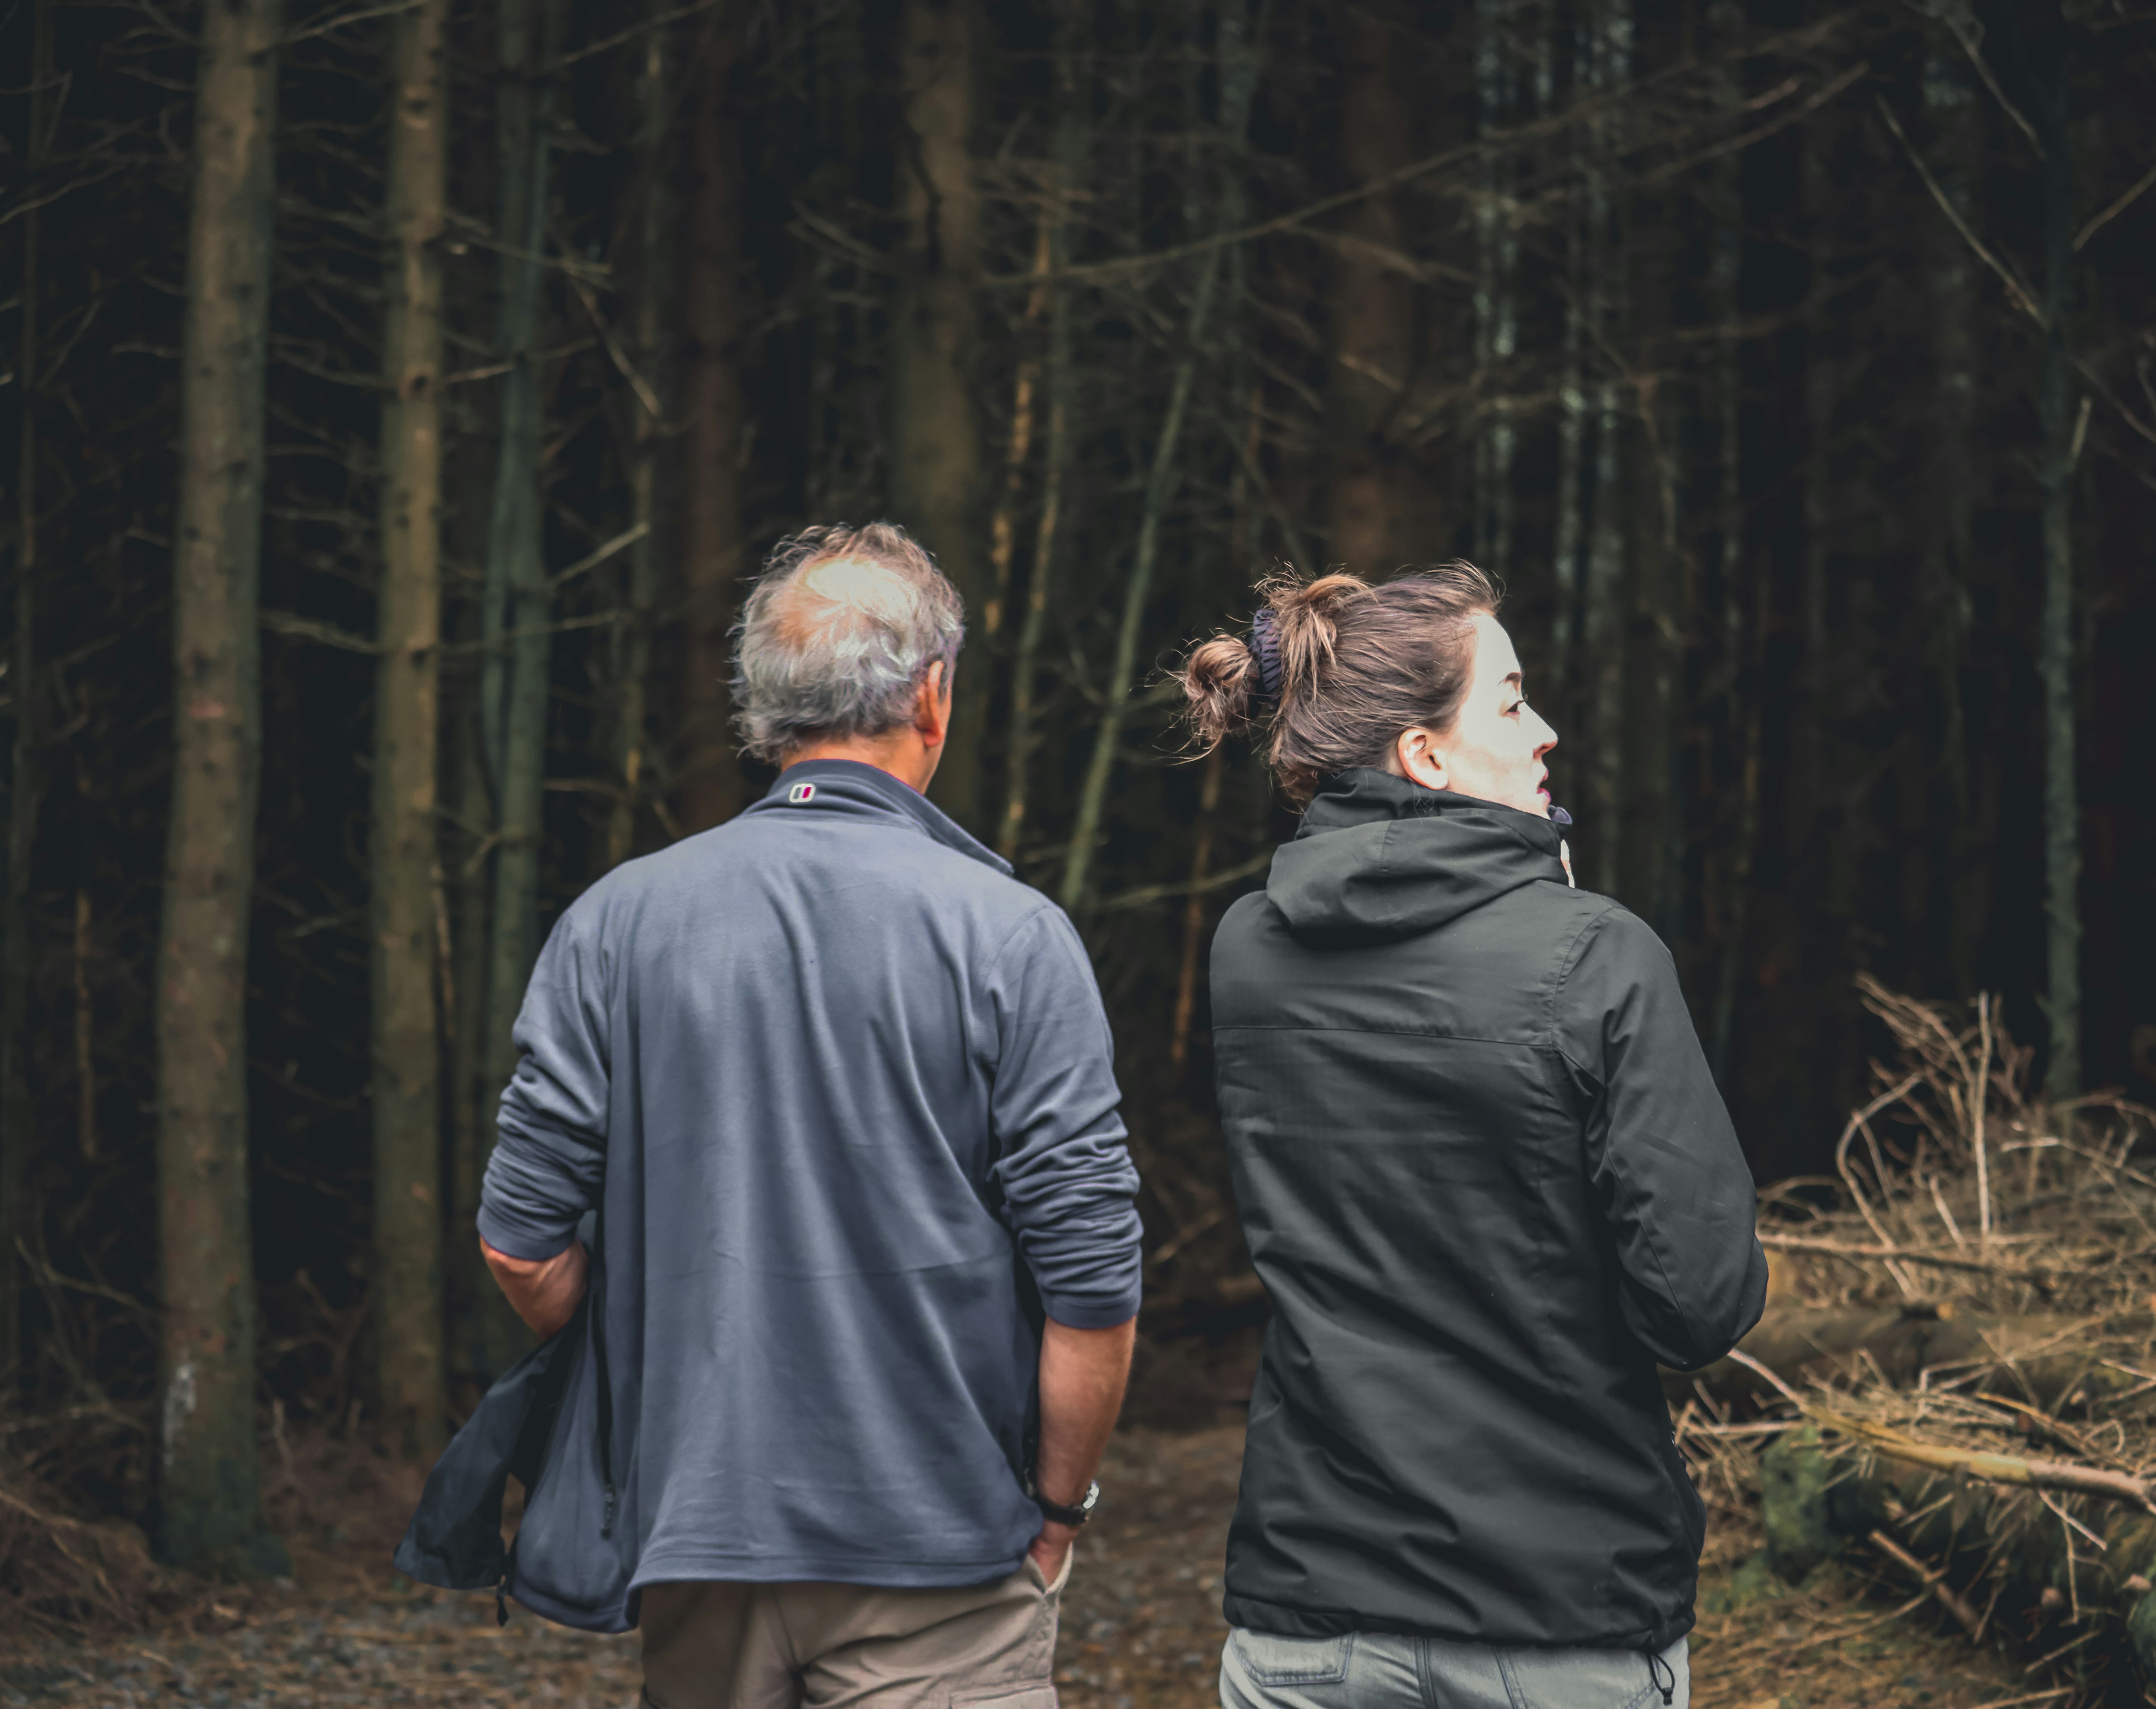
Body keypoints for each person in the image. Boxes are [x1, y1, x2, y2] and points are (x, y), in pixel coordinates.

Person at [475, 522, 1144, 1709]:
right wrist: (1057, 1511)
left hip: (697, 1550)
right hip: (939, 1559)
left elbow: (519, 1243)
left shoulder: (616, 923)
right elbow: (1093, 1286)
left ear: (765, 713)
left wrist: (655, 1334)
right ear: (933, 696)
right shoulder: (1012, 936)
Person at [1178, 563, 1767, 1709]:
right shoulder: (1597, 954)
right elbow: (1698, 1305)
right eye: (1509, 702)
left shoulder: (1249, 951)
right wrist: (1554, 896)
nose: (1543, 732)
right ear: (1426, 757)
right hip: (1561, 1614)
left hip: (1313, 1612)